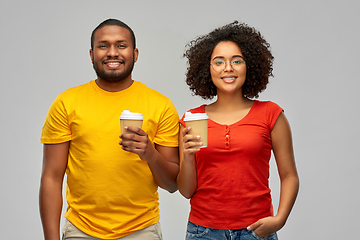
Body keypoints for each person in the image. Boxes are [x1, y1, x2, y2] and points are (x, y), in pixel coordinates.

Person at [39, 19, 179, 240]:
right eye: (103, 46)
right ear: (92, 54)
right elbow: (51, 177)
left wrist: (150, 153)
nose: (112, 53)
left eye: (121, 45)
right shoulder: (67, 102)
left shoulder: (160, 105)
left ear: (135, 54)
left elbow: (172, 184)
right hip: (81, 230)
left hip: (142, 230)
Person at [177, 21, 299, 240]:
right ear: (207, 69)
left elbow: (289, 175)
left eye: (236, 61)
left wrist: (280, 219)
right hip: (202, 232)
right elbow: (186, 191)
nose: (228, 68)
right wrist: (187, 156)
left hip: (256, 231)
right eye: (219, 62)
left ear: (248, 65)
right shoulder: (191, 119)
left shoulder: (271, 114)